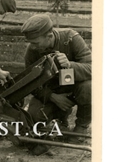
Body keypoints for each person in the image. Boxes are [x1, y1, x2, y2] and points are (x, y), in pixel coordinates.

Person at [21, 14, 91, 154]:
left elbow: (92, 67)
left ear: (49, 36)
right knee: (33, 118)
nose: (33, 47)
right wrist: (52, 97)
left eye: (35, 43)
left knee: (89, 87)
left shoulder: (71, 39)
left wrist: (70, 65)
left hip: (74, 90)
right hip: (52, 93)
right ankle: (61, 121)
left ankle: (81, 126)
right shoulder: (32, 51)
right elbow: (31, 84)